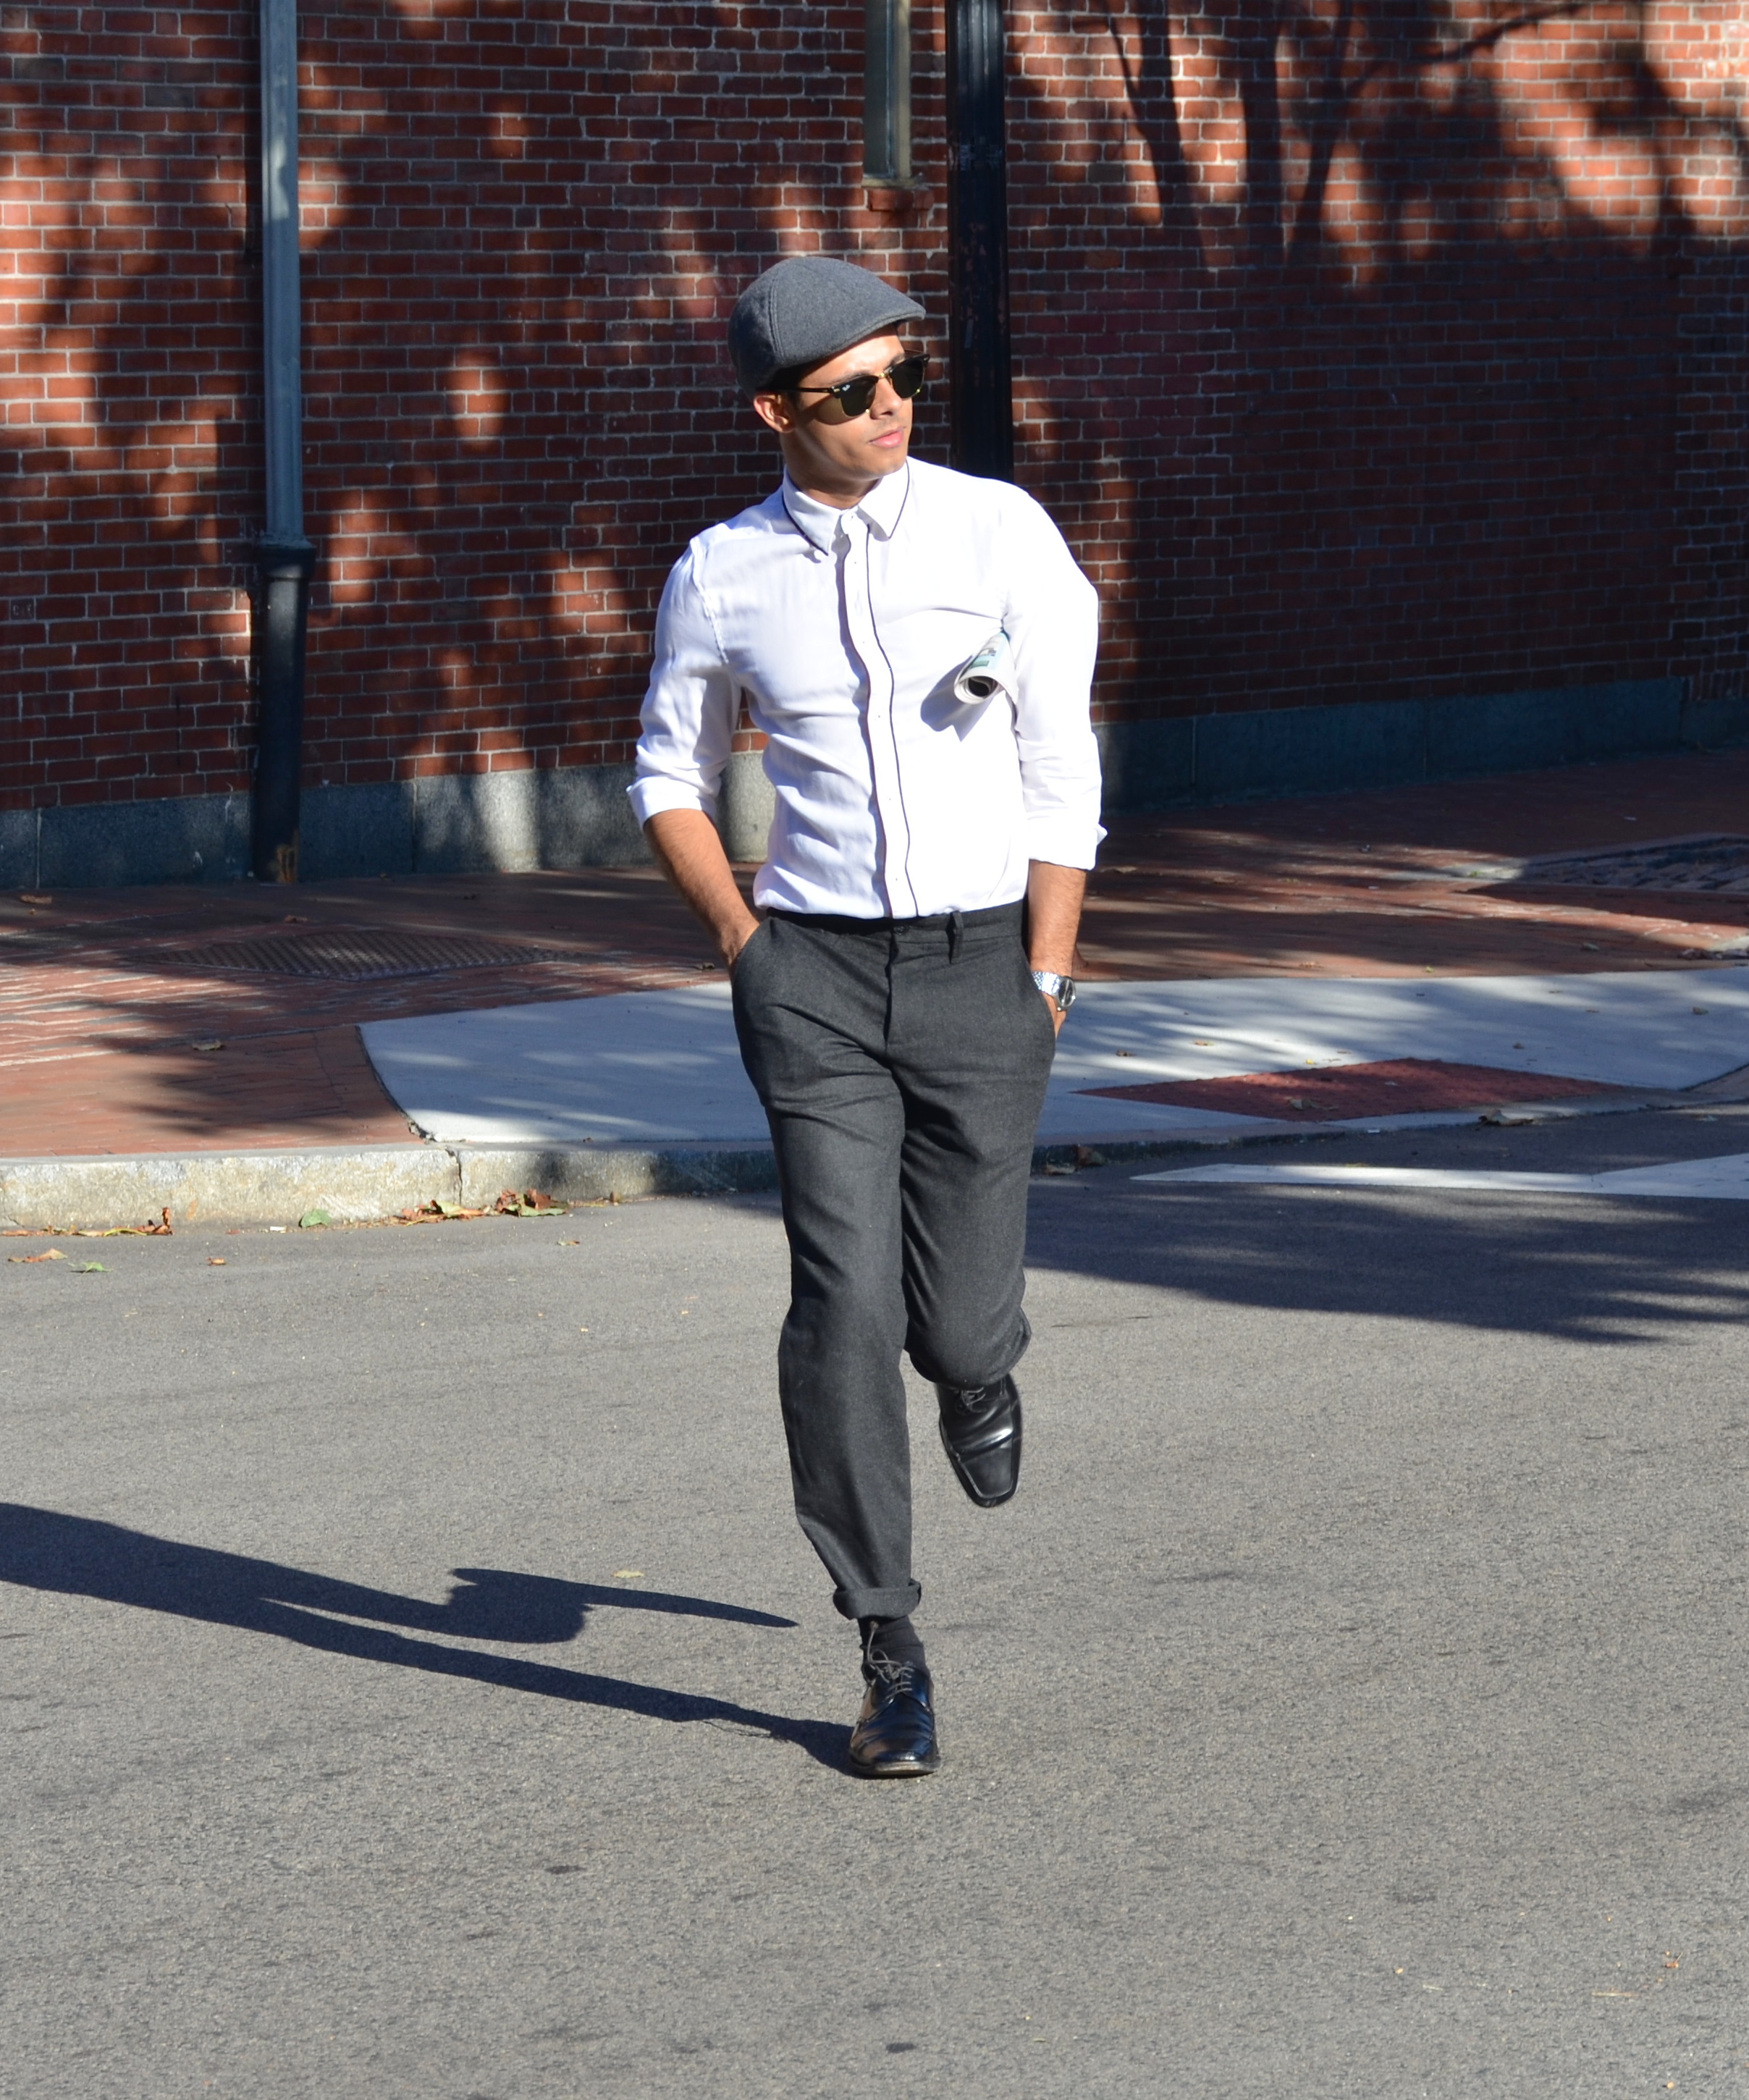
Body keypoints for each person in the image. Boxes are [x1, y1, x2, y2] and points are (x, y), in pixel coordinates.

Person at [629, 254, 1101, 1776]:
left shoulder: (998, 531)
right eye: (852, 391)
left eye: (904, 376)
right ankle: (887, 1640)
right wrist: (742, 942)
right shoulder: (720, 572)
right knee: (840, 1301)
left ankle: (979, 1364)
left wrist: (1046, 976)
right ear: (778, 411)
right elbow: (666, 772)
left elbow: (1060, 765)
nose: (889, 406)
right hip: (814, 978)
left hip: (982, 969)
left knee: (953, 1314)